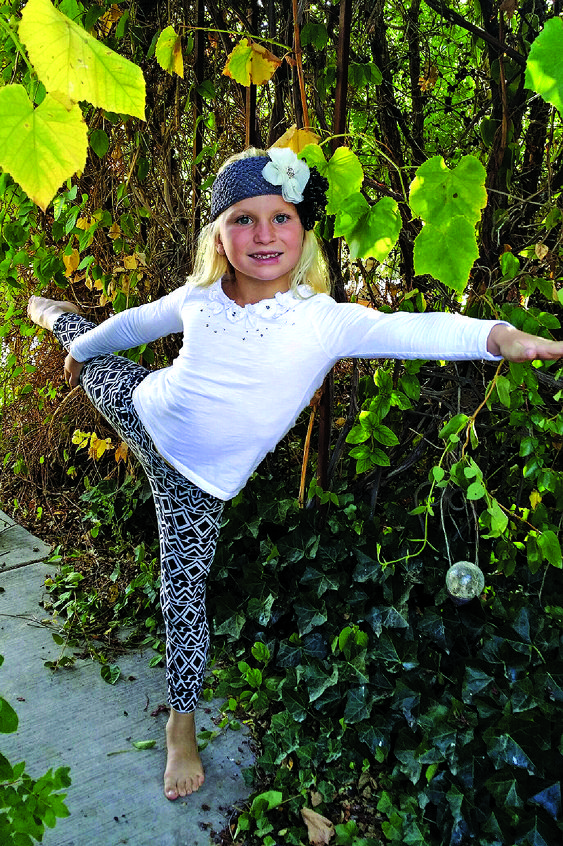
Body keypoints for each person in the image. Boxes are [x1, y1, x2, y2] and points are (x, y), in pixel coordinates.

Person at [27, 146, 563, 801]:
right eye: (243, 219)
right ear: (218, 237)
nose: (263, 234)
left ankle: (180, 728)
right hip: (144, 410)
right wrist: (82, 351)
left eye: (280, 217)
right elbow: (133, 324)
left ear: (304, 232)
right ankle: (53, 314)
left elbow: (415, 328)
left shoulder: (323, 322)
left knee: (182, 596)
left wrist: (497, 336)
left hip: (194, 488)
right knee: (98, 360)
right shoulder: (198, 298)